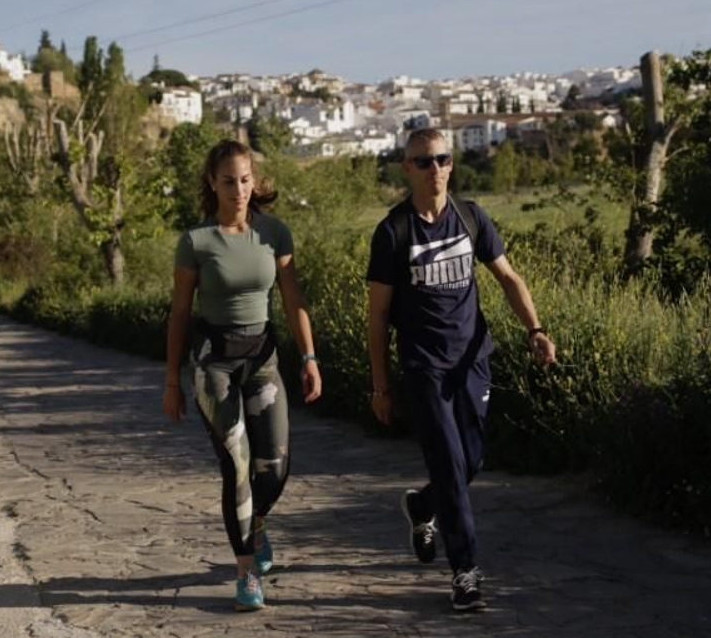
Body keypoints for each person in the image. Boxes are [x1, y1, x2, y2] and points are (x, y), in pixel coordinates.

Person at [366, 127, 556, 611]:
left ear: (453, 164)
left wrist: (535, 329)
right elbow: (378, 316)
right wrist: (381, 385)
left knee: (470, 461)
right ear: (407, 168)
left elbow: (508, 277)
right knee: (451, 465)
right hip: (424, 367)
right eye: (424, 161)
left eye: (443, 159)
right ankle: (465, 573)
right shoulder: (393, 232)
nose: (436, 169)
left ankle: (421, 506)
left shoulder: (471, 218)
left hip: (472, 360)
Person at [165, 139, 322, 612]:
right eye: (229, 181)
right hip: (214, 364)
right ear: (212, 183)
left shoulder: (275, 233)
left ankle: (255, 524)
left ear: (256, 182)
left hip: (263, 360)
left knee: (274, 468)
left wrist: (310, 357)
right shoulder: (196, 241)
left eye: (245, 180)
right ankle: (246, 573)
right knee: (236, 467)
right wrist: (172, 379)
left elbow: (293, 301)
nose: (238, 189)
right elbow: (178, 313)